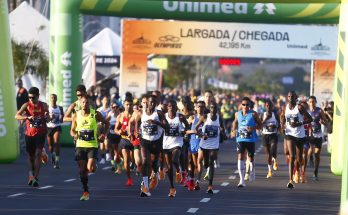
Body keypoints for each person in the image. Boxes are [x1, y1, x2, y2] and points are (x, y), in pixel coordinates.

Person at [70, 95, 109, 201]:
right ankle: (85, 191)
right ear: (80, 104)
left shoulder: (95, 114)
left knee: (90, 168)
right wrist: (74, 134)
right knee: (82, 170)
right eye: (82, 102)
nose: (84, 104)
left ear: (90, 104)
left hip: (92, 145)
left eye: (86, 103)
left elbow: (107, 123)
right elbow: (72, 130)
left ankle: (93, 165)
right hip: (80, 145)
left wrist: (103, 134)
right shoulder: (76, 115)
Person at [15, 87, 49, 187]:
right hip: (29, 134)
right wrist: (26, 117)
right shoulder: (26, 105)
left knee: (38, 153)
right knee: (31, 156)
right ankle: (30, 175)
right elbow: (16, 115)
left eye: (33, 97)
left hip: (41, 133)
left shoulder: (43, 105)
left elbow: (48, 115)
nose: (31, 99)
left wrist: (47, 116)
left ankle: (36, 177)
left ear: (38, 96)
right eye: (29, 97)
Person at [280, 91, 312, 189]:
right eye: (289, 96)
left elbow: (310, 119)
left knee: (299, 159)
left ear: (295, 98)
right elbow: (282, 117)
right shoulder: (285, 107)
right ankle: (290, 180)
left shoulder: (300, 108)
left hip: (300, 135)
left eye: (292, 96)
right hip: (290, 134)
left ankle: (298, 170)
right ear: (287, 97)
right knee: (292, 156)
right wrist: (282, 125)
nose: (290, 98)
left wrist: (299, 123)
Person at [137, 95, 168, 197]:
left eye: (154, 103)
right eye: (151, 102)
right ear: (147, 103)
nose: (152, 104)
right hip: (145, 140)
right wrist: (137, 131)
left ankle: (155, 174)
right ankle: (145, 186)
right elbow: (137, 121)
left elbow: (166, 126)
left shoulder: (158, 113)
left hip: (156, 141)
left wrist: (156, 122)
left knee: (154, 164)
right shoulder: (142, 112)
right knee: (145, 161)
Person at [194, 102, 226, 194]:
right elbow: (196, 129)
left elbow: (223, 129)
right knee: (206, 164)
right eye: (212, 108)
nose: (214, 109)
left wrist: (223, 132)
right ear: (210, 109)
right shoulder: (204, 117)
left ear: (217, 109)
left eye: (215, 108)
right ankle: (198, 181)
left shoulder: (219, 118)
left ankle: (210, 186)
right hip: (204, 144)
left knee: (211, 162)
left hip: (214, 145)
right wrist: (202, 135)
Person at [231, 97, 262, 188]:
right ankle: (242, 180)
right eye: (243, 104)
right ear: (241, 105)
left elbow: (260, 124)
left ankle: (252, 170)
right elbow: (234, 122)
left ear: (250, 105)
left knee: (251, 157)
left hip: (250, 139)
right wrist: (233, 130)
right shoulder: (237, 114)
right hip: (240, 138)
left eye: (247, 105)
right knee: (240, 156)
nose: (245, 106)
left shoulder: (253, 114)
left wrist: (253, 128)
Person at [163, 100, 189, 197]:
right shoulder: (164, 117)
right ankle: (172, 188)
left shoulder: (180, 117)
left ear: (176, 107)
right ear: (167, 107)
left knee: (174, 160)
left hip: (177, 142)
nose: (172, 108)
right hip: (166, 144)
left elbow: (187, 125)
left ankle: (178, 170)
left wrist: (184, 131)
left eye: (173, 106)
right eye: (170, 106)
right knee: (169, 167)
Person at [115, 98, 134, 186]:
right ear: (124, 105)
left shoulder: (136, 115)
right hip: (124, 139)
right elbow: (116, 128)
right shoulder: (121, 116)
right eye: (127, 105)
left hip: (135, 140)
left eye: (130, 105)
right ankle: (129, 179)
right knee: (126, 161)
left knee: (136, 161)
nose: (128, 106)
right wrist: (119, 132)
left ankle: (134, 164)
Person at [307, 96, 327, 181]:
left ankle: (315, 172)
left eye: (313, 101)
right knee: (311, 149)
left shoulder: (319, 111)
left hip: (318, 134)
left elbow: (326, 122)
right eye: (310, 101)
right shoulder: (306, 112)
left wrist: (323, 122)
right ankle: (310, 157)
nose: (312, 103)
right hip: (310, 135)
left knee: (317, 153)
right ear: (308, 102)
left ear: (316, 102)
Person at [187, 100, 205, 191]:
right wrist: (192, 131)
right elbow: (185, 131)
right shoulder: (192, 118)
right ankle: (192, 179)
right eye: (199, 106)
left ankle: (198, 181)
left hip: (203, 142)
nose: (200, 108)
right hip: (193, 142)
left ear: (204, 108)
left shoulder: (206, 118)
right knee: (194, 163)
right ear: (196, 108)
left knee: (199, 161)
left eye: (202, 106)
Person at [261, 100, 280, 179]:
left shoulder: (275, 115)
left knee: (273, 150)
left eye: (270, 106)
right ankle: (269, 171)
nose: (268, 107)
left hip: (273, 135)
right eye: (267, 105)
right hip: (265, 135)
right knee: (269, 154)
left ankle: (275, 159)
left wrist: (275, 126)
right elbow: (260, 124)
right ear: (265, 106)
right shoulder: (263, 115)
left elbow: (279, 124)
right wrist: (266, 119)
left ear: (272, 107)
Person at [46, 94, 64, 169]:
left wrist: (61, 118)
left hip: (57, 127)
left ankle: (57, 160)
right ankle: (52, 153)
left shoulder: (60, 108)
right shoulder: (47, 108)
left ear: (56, 99)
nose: (53, 99)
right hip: (49, 127)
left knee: (56, 142)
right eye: (52, 98)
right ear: (50, 99)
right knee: (50, 146)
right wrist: (50, 118)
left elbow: (61, 120)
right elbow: (46, 120)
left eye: (54, 98)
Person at [105, 102, 121, 172]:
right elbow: (105, 122)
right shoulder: (110, 114)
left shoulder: (121, 115)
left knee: (118, 151)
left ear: (118, 108)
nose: (115, 109)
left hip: (119, 135)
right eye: (113, 107)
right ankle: (113, 163)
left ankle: (119, 163)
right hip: (111, 134)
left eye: (116, 107)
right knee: (111, 149)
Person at [97, 96, 111, 164]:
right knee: (101, 144)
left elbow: (109, 118)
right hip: (100, 126)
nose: (106, 101)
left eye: (107, 100)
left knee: (106, 142)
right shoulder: (99, 109)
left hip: (106, 126)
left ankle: (107, 153)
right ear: (102, 101)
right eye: (104, 100)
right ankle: (102, 158)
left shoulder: (109, 110)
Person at [16, 78, 29, 151]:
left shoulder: (24, 91)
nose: (18, 84)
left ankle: (24, 145)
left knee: (22, 129)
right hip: (19, 113)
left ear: (22, 83)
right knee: (20, 129)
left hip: (23, 113)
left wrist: (24, 112)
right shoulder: (18, 91)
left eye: (19, 83)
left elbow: (26, 102)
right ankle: (21, 145)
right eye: (18, 83)